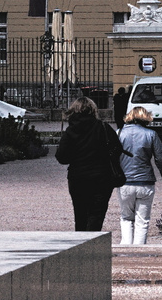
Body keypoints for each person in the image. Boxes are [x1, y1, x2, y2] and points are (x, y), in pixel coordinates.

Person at [55, 97, 120, 232]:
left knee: (80, 214)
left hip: (78, 177)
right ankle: (93, 242)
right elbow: (117, 149)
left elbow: (61, 157)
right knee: (97, 214)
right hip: (102, 177)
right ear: (93, 110)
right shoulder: (103, 128)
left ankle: (81, 245)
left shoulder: (70, 131)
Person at [116, 106, 162, 245]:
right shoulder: (151, 134)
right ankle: (139, 252)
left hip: (125, 181)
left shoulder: (119, 133)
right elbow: (161, 158)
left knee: (126, 217)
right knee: (142, 220)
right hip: (145, 182)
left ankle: (126, 250)